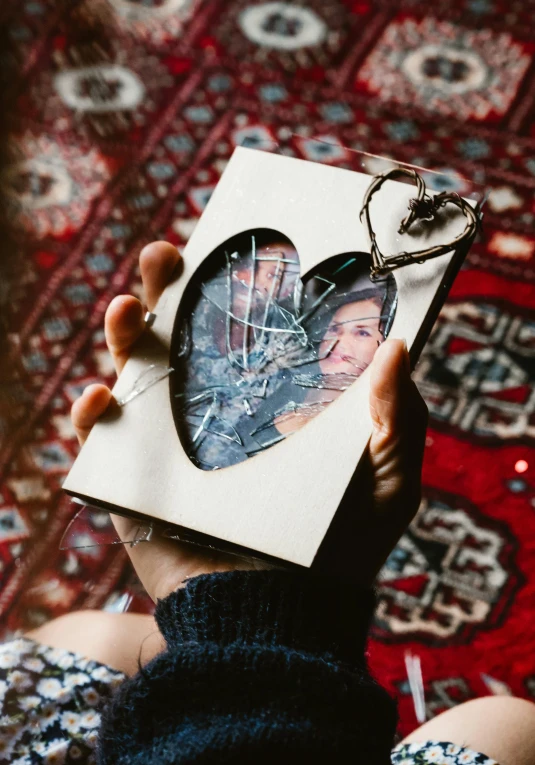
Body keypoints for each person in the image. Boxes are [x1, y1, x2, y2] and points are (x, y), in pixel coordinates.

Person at [0, 242, 533, 764]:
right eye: (335, 330)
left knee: (95, 633)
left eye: (363, 332)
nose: (340, 346)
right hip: (272, 706)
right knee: (510, 727)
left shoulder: (341, 433)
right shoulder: (259, 404)